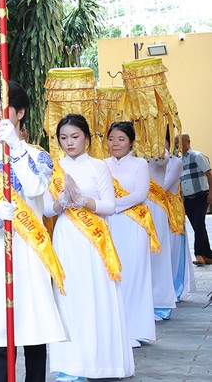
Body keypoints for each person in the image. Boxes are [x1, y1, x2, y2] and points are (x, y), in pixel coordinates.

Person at [0, 81, 66, 382]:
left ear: (20, 112)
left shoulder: (39, 157)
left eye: (4, 110)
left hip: (30, 252)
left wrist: (16, 147)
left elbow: (38, 186)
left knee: (33, 328)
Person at [44, 114, 134, 381]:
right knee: (69, 298)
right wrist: (61, 202)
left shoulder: (98, 166)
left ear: (86, 137)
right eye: (63, 137)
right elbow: (47, 209)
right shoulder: (53, 167)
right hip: (65, 239)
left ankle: (99, 363)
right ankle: (70, 365)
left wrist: (83, 201)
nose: (69, 142)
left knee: (95, 296)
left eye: (74, 136)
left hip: (94, 240)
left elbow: (110, 205)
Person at [104, 122, 156, 347]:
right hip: (109, 225)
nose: (115, 143)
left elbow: (140, 194)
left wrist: (112, 205)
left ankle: (134, 329)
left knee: (134, 274)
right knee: (113, 275)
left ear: (132, 142)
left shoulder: (139, 164)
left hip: (133, 224)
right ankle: (115, 329)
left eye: (121, 139)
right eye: (112, 139)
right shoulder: (102, 164)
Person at [146, 149, 177, 320]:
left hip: (155, 207)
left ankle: (159, 302)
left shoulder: (160, 152)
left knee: (157, 256)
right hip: (135, 209)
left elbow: (161, 160)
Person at [166, 139, 195, 299]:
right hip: (154, 208)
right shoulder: (145, 160)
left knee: (173, 248)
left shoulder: (175, 162)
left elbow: (163, 186)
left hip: (172, 209)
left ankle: (175, 286)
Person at [180, 133, 212, 265]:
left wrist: (211, 193)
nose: (179, 145)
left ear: (188, 141)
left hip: (201, 196)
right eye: (176, 143)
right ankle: (208, 255)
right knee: (198, 226)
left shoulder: (197, 156)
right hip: (188, 199)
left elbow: (209, 175)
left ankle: (199, 254)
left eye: (181, 142)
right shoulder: (178, 160)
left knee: (199, 223)